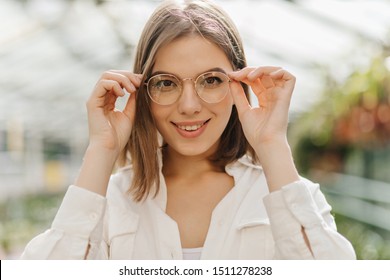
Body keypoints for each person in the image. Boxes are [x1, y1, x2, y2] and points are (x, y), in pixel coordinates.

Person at [21, 0, 355, 260]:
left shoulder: (293, 196)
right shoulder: (109, 200)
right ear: (142, 92)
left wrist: (272, 144)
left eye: (211, 80)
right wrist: (101, 149)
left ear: (241, 83)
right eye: (166, 83)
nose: (190, 106)